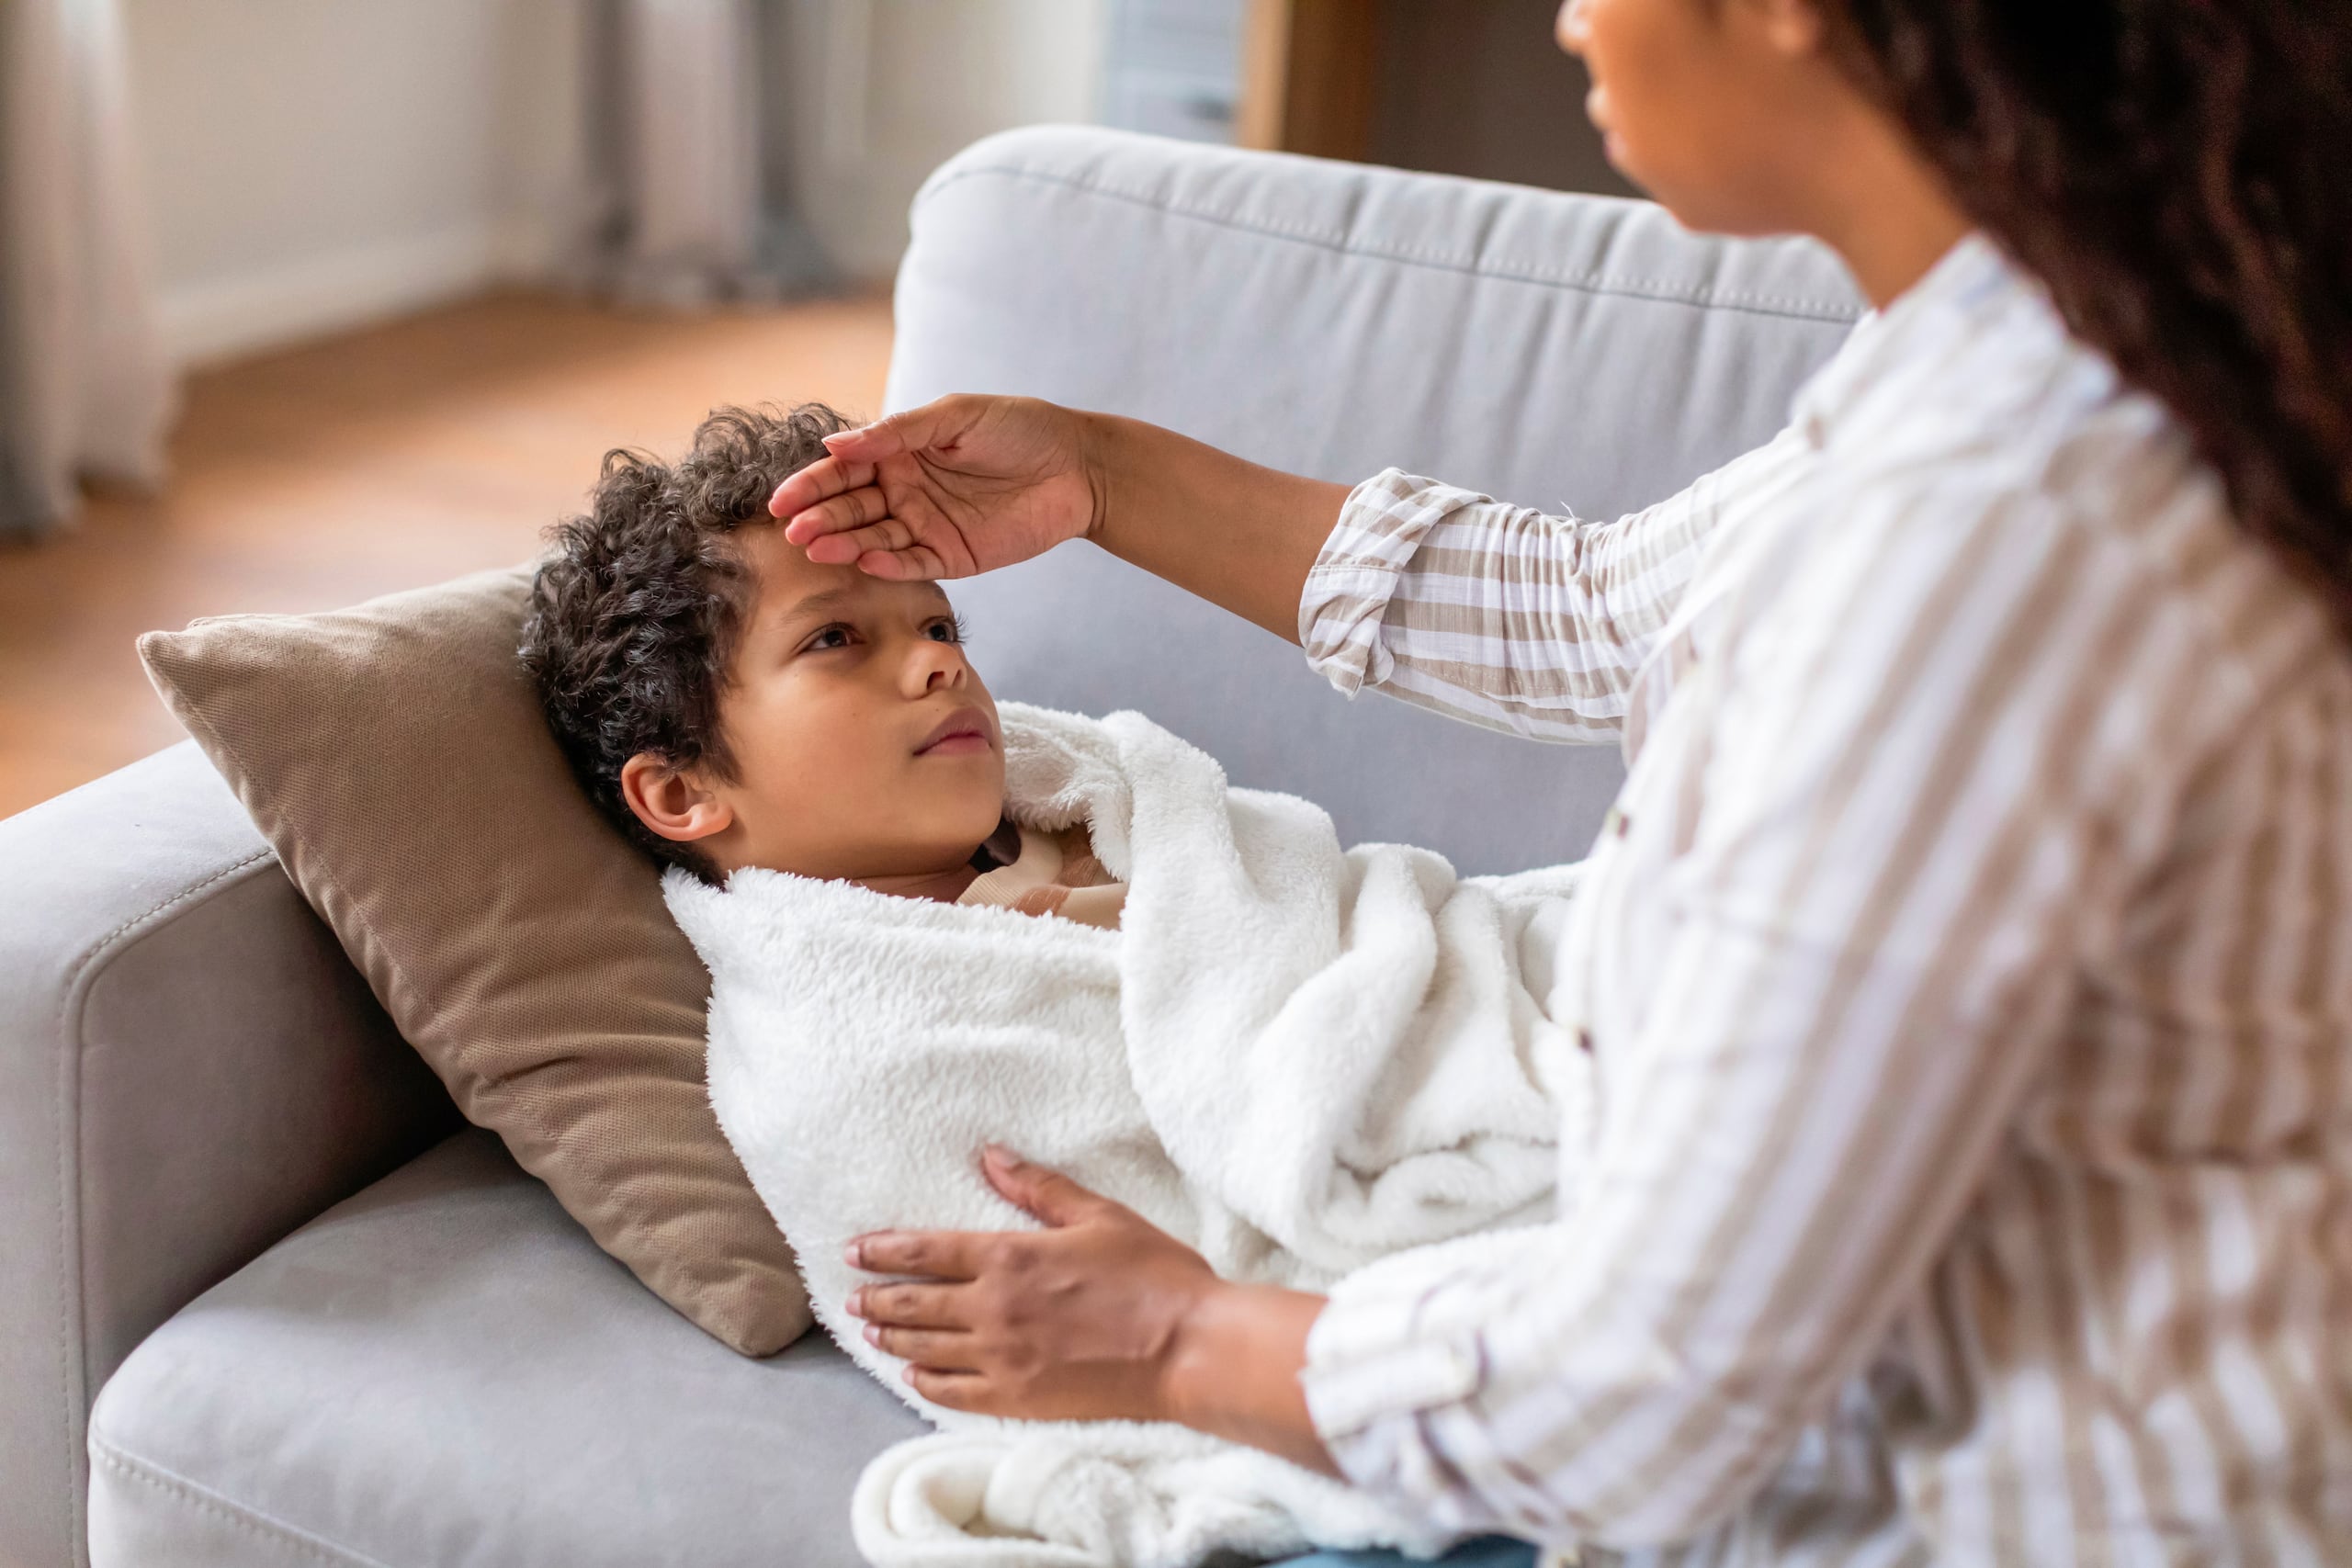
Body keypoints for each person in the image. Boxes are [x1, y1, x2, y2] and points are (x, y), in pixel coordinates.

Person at [769, 0, 2352, 1562]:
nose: (1572, 21)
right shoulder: (2023, 337)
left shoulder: (1971, 559)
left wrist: (1182, 1335)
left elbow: (1647, 1391)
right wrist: (1099, 474)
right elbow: (1594, 608)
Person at [519, 402, 1123, 923]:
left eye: (938, 626)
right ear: (683, 792)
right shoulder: (844, 1007)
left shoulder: (1112, 815)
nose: (940, 660)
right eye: (834, 639)